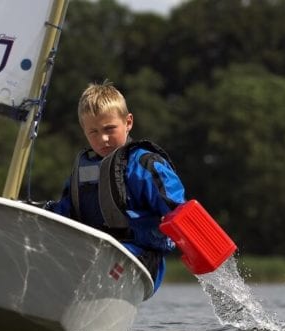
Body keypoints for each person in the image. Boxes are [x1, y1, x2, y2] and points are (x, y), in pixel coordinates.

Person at [45, 81, 186, 293]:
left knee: (97, 264)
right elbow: (64, 211)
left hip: (140, 259)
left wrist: (201, 250)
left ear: (128, 122)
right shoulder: (82, 171)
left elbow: (179, 210)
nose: (103, 138)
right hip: (93, 256)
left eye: (109, 129)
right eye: (93, 132)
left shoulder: (145, 165)